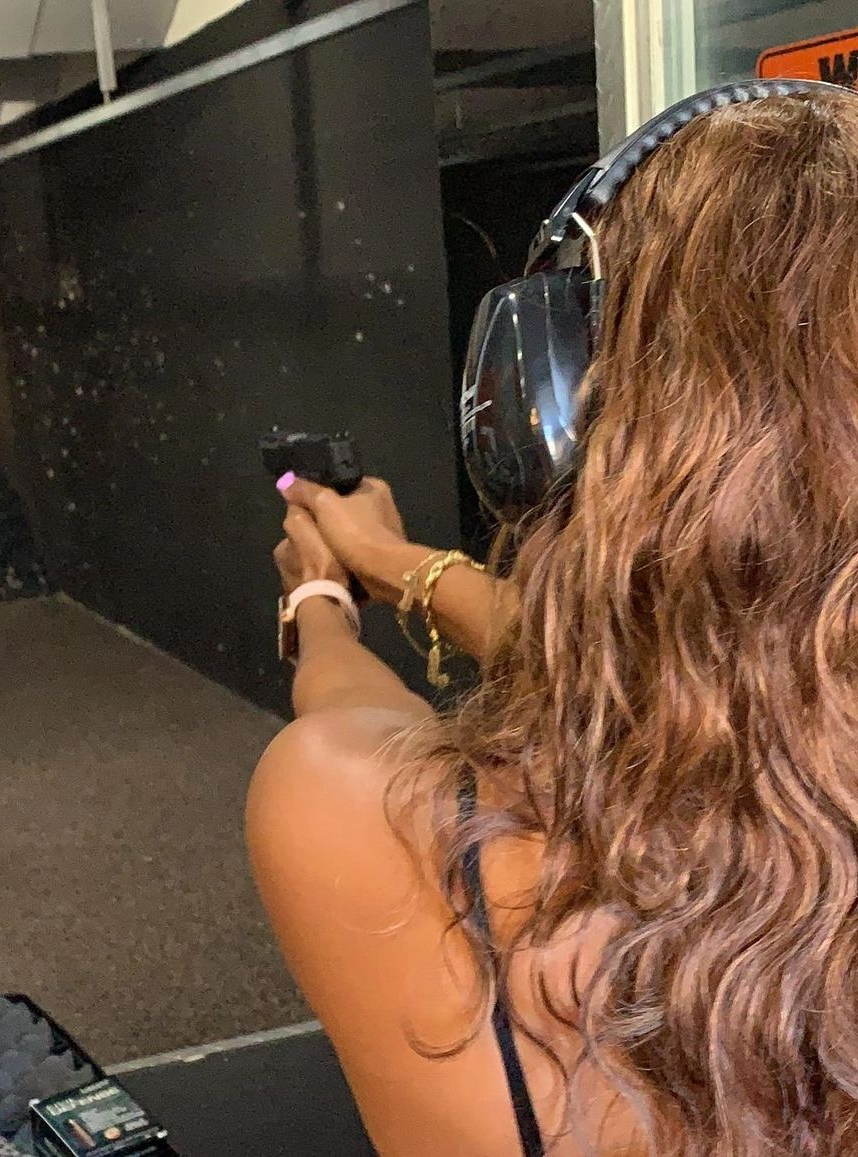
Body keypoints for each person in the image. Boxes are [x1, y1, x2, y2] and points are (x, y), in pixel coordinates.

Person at [248, 84, 858, 1155]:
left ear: (558, 408)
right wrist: (393, 561)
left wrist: (323, 604)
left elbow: (347, 742)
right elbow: (689, 674)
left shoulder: (352, 817)